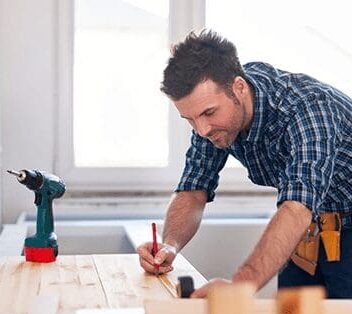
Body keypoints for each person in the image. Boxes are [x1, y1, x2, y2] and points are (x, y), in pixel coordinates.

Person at [137, 30, 352, 298]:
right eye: (190, 119)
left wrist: (240, 287)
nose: (201, 129)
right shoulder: (213, 116)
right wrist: (169, 246)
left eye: (208, 113)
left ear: (239, 87)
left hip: (328, 218)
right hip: (312, 229)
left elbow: (297, 207)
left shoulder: (309, 109)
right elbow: (193, 188)